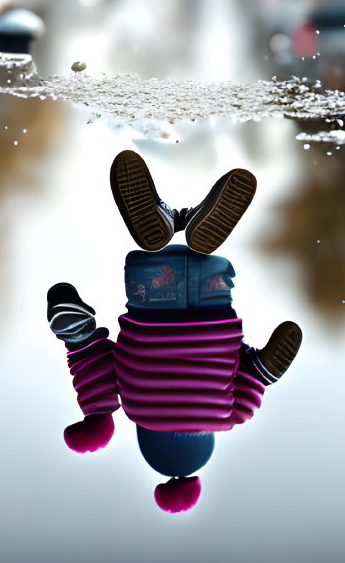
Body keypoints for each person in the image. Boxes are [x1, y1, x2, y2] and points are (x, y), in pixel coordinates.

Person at [46, 150, 303, 512]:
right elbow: (95, 371)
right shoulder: (135, 407)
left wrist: (266, 368)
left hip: (212, 306)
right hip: (151, 303)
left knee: (204, 262)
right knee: (157, 257)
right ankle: (166, 224)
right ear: (144, 436)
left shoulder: (230, 415)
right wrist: (78, 341)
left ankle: (191, 227)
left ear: (208, 440)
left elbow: (256, 377)